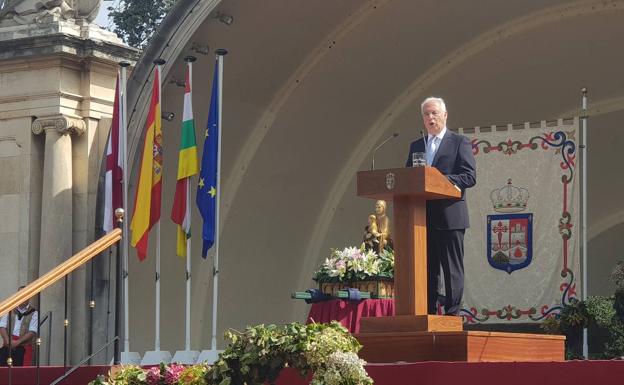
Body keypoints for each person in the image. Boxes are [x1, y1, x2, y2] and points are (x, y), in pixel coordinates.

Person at [405, 97, 476, 315]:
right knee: (428, 270)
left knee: (452, 270)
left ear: (445, 115)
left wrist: (440, 180)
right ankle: (427, 313)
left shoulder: (459, 142)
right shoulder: (416, 146)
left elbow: (469, 176)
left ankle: (452, 315)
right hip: (422, 219)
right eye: (426, 114)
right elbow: (408, 178)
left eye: (434, 113)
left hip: (450, 217)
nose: (430, 118)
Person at [0, 286, 38, 366]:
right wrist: (7, 341)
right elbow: (2, 326)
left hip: (23, 347)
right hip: (8, 344)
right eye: (21, 294)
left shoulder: (34, 313)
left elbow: (32, 331)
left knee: (20, 374)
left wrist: (17, 342)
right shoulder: (9, 309)